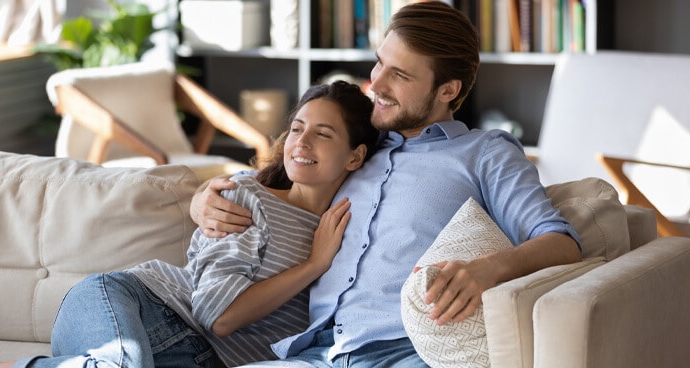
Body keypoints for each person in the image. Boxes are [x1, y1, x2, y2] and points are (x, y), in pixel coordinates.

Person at [191, 2, 583, 367]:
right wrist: (203, 200)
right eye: (380, 64)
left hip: (404, 352)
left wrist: (488, 269)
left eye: (400, 75)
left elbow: (561, 243)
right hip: (317, 351)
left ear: (448, 91)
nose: (375, 84)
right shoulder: (360, 147)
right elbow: (285, 177)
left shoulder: (484, 153)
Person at [0, 80, 380, 368]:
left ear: (356, 156)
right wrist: (310, 267)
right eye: (298, 128)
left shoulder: (348, 229)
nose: (301, 143)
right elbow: (219, 315)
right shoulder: (246, 198)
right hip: (129, 303)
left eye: (323, 134)